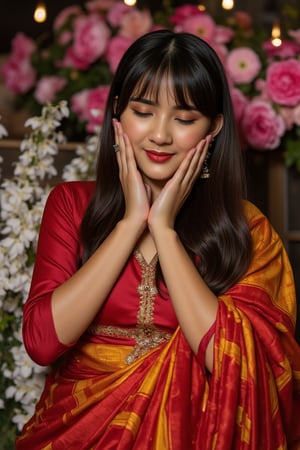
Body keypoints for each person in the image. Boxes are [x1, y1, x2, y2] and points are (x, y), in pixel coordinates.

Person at [16, 30, 300, 449]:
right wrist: (130, 223)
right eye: (143, 112)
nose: (161, 136)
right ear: (118, 113)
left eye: (184, 119)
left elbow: (235, 363)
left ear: (214, 126)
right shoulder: (71, 205)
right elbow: (42, 343)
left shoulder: (247, 229)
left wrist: (164, 230)